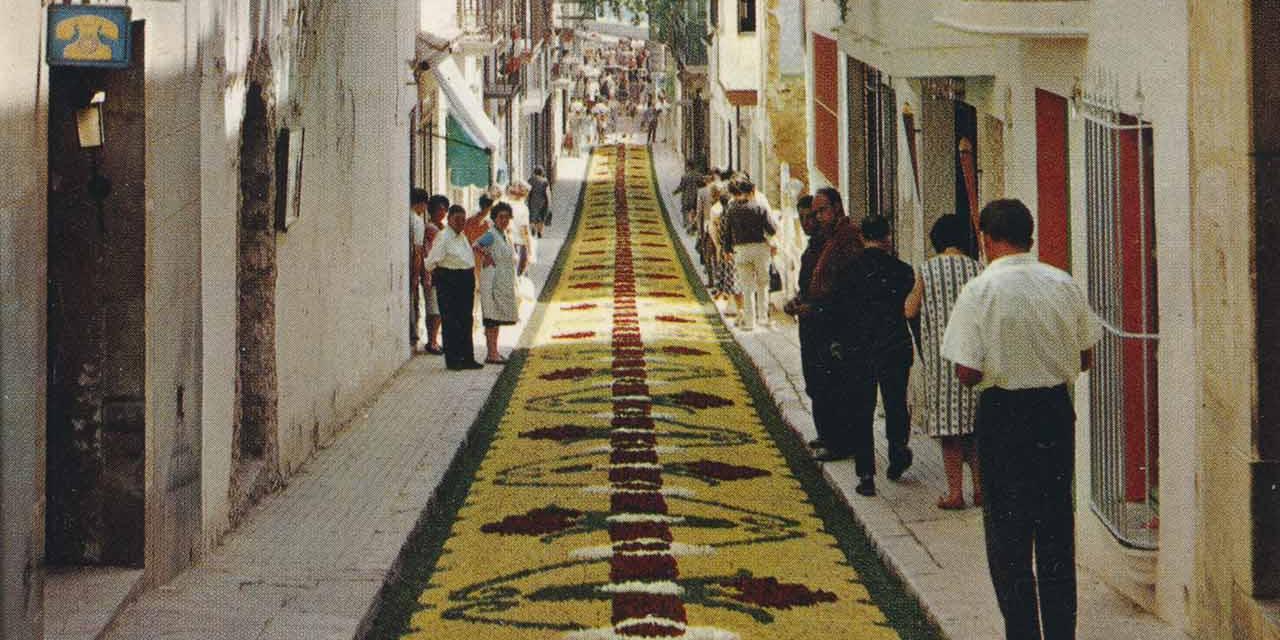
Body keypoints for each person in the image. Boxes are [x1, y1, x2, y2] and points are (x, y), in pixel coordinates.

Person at [942, 198, 1100, 640]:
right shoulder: (1062, 283)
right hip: (1052, 413)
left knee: (1009, 539)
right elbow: (1085, 357)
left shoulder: (980, 291)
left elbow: (967, 371)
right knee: (1054, 531)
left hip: (1004, 416)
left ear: (987, 240)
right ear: (1029, 236)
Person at [904, 214, 984, 510]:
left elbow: (910, 310)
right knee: (974, 427)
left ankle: (955, 492)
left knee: (950, 430)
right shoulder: (978, 269)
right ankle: (979, 489)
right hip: (973, 356)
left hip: (942, 358)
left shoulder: (927, 269)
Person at [844, 214, 916, 496]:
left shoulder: (850, 271)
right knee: (895, 402)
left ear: (862, 238)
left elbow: (842, 311)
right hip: (894, 344)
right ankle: (897, 451)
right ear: (888, 237)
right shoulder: (903, 270)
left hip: (860, 348)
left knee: (862, 409)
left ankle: (866, 475)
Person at [801, 187, 865, 467]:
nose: (818, 217)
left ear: (837, 207)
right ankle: (829, 436)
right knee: (822, 383)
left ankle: (839, 442)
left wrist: (816, 308)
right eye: (815, 213)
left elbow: (846, 289)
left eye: (822, 210)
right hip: (819, 322)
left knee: (834, 386)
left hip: (835, 327)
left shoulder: (846, 239)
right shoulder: (827, 239)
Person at [424, 204, 483, 371]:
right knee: (451, 321)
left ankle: (467, 358)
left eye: (463, 220)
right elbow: (431, 261)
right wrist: (433, 275)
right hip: (450, 279)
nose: (461, 223)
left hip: (465, 278)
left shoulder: (462, 236)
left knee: (466, 319)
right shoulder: (443, 237)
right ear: (449, 219)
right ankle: (453, 359)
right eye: (457, 219)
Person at [722, 174, 776, 331]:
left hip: (740, 250)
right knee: (763, 284)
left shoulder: (731, 210)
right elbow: (771, 229)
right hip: (760, 249)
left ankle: (749, 322)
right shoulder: (759, 207)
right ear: (750, 191)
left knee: (747, 287)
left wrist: (727, 250)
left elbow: (727, 233)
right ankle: (763, 318)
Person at [475, 202, 519, 364]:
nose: (504, 220)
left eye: (507, 217)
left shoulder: (504, 235)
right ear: (494, 218)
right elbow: (476, 245)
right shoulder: (491, 234)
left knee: (497, 318)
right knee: (492, 318)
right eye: (501, 217)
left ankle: (494, 351)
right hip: (492, 279)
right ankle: (491, 353)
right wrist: (486, 256)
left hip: (502, 279)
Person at [421, 194, 451, 355]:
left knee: (438, 309)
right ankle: (431, 341)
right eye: (440, 209)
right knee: (434, 310)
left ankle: (434, 340)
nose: (443, 212)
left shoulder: (441, 227)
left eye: (445, 209)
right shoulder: (431, 228)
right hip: (433, 273)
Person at [409, 188, 430, 351]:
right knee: (414, 302)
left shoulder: (405, 217)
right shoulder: (417, 221)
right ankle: (414, 337)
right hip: (411, 267)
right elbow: (418, 251)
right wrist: (416, 275)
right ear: (422, 204)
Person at [506, 182, 534, 276]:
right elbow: (524, 231)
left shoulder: (505, 205)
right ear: (524, 194)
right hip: (519, 245)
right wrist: (529, 251)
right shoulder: (523, 208)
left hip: (506, 243)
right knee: (520, 277)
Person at [673, 160, 703, 233]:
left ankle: (686, 225)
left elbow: (681, 187)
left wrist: (675, 192)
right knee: (693, 212)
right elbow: (702, 184)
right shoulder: (698, 175)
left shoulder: (685, 176)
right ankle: (692, 226)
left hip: (686, 197)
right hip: (695, 197)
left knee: (685, 211)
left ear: (688, 167)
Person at [528, 166, 552, 236]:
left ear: (534, 172)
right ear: (542, 172)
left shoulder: (530, 180)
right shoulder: (545, 181)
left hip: (532, 201)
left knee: (532, 216)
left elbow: (528, 191)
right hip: (543, 201)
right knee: (541, 217)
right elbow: (547, 193)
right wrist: (549, 203)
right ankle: (539, 231)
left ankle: (533, 228)